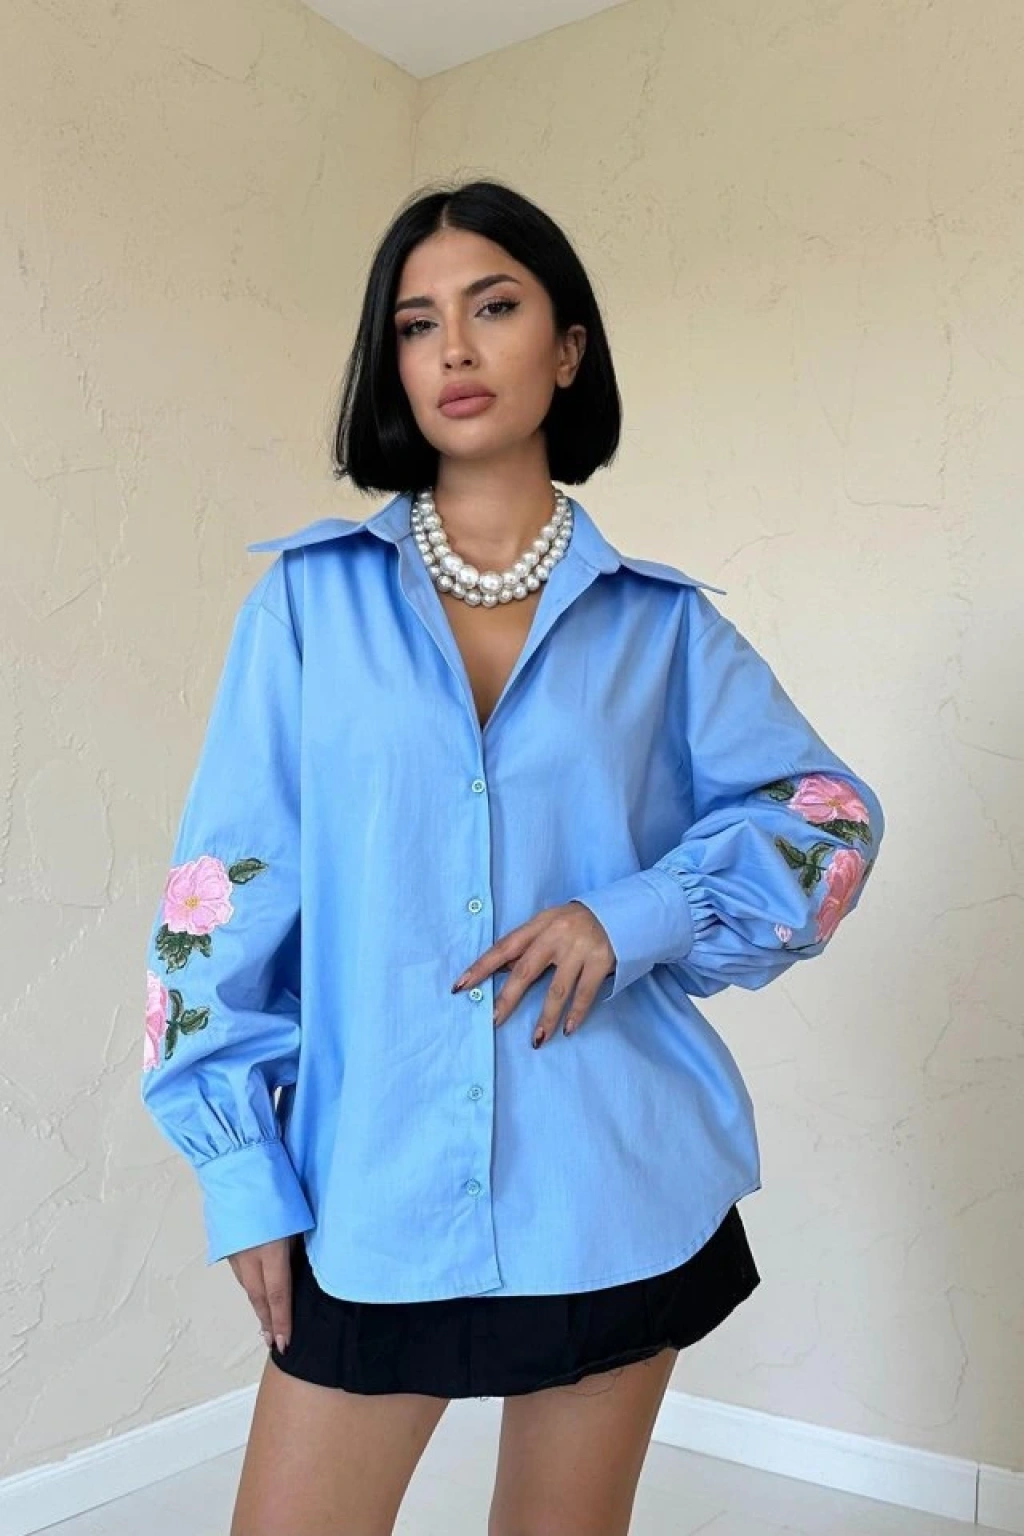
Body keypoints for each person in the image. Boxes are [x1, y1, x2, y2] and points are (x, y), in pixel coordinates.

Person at [140, 178, 885, 1536]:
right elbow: (218, 901)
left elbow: (828, 819)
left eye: (494, 306)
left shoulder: (662, 629)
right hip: (373, 1195)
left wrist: (636, 912)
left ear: (569, 347)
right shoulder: (306, 608)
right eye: (417, 323)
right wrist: (240, 1171)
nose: (456, 349)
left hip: (615, 1183)